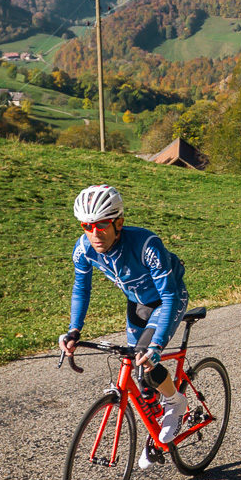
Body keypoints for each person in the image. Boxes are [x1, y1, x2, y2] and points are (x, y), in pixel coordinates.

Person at [59, 184, 190, 461]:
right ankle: (154, 436)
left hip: (167, 300)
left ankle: (176, 402)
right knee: (140, 379)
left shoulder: (146, 245)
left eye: (102, 225)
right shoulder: (84, 249)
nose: (95, 234)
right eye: (87, 226)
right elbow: (81, 289)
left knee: (145, 357)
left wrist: (156, 345)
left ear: (119, 222)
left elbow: (168, 296)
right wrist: (74, 330)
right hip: (137, 304)